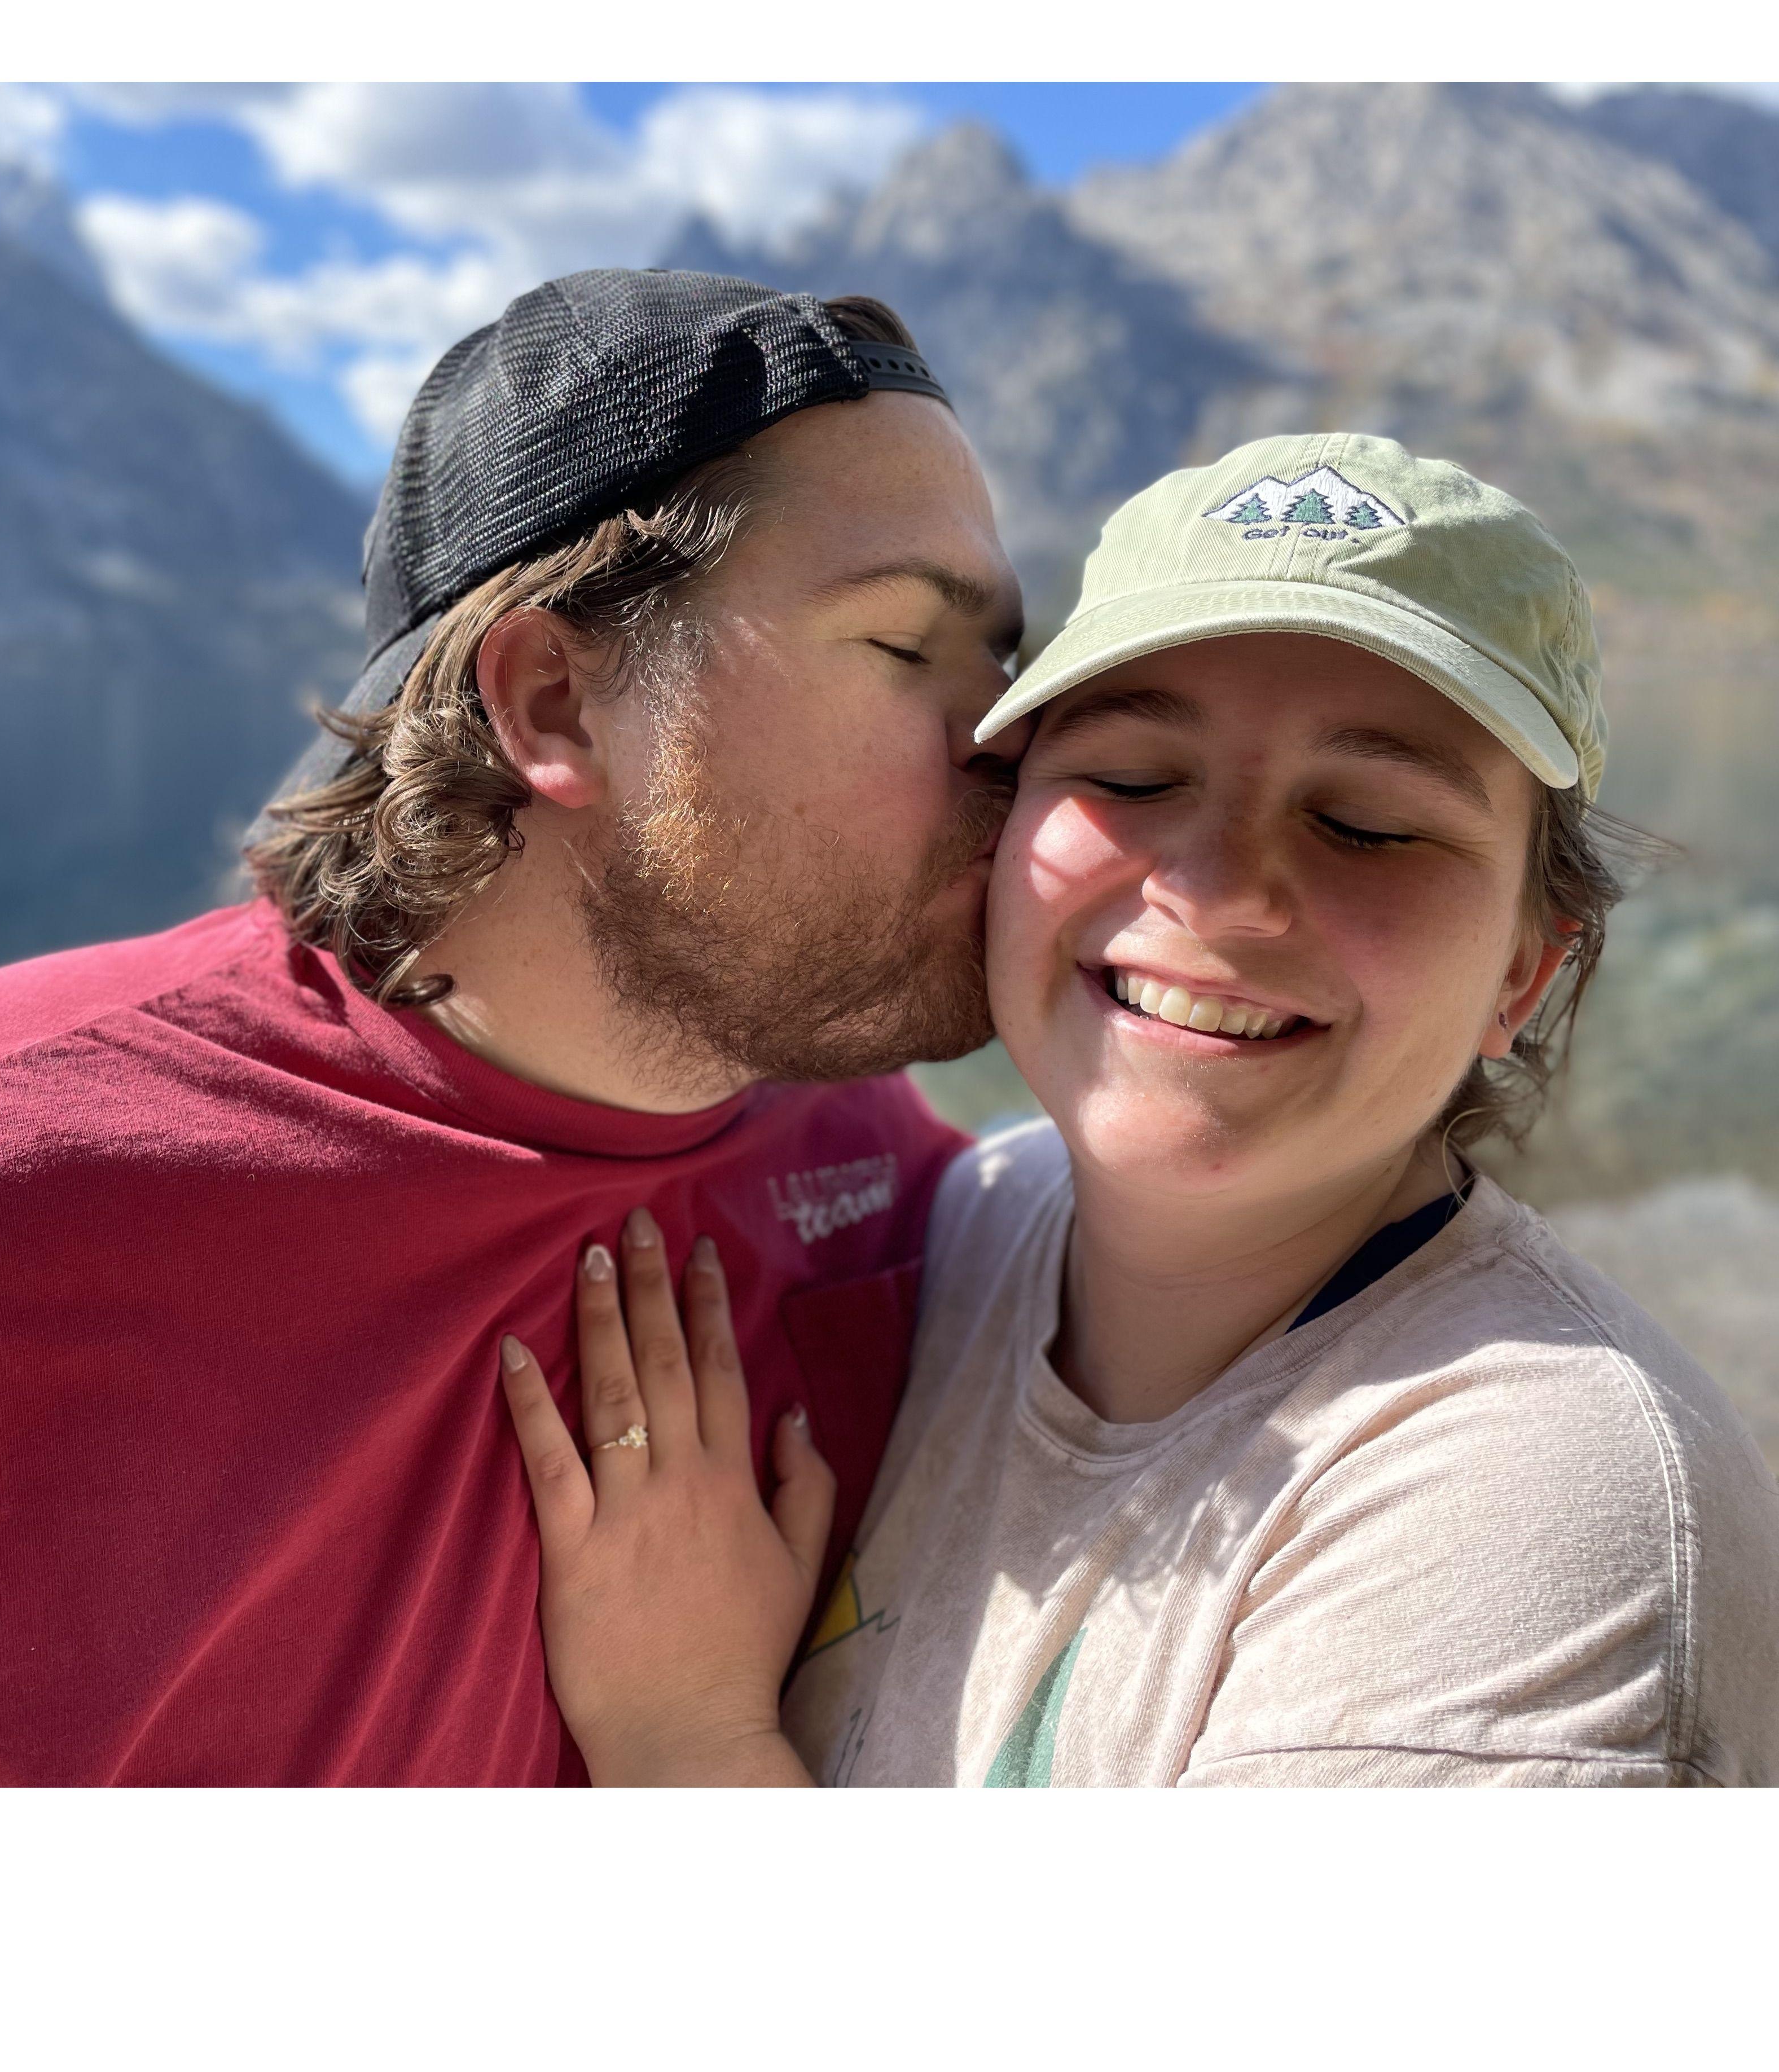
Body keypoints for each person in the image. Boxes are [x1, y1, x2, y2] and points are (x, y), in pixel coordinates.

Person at [0, 271, 1025, 1784]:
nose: (1011, 744)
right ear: (556, 701)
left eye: (1006, 665)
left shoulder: (906, 1201)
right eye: (906, 650)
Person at [500, 432, 1779, 1786]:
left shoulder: (1535, 1491)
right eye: (1130, 779)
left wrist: (685, 1737)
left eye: (1368, 822)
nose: (1221, 888)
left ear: (1526, 971)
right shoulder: (973, 1223)